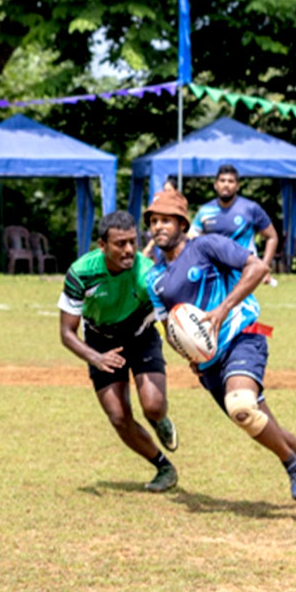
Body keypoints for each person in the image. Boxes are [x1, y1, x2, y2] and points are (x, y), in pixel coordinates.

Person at [144, 188, 296, 508]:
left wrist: (223, 309)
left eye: (166, 220)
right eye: (153, 221)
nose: (158, 227)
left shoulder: (206, 246)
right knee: (256, 419)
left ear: (182, 223)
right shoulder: (154, 279)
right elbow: (169, 328)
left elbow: (258, 269)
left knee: (240, 404)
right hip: (209, 364)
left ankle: (293, 466)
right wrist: (188, 353)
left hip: (242, 336)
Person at [58, 209, 179, 492]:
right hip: (101, 341)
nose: (128, 250)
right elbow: (66, 333)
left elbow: (170, 321)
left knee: (153, 405)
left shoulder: (148, 273)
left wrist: (192, 354)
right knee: (118, 417)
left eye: (132, 242)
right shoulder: (81, 273)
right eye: (120, 244)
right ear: (102, 246)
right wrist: (96, 357)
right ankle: (163, 467)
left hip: (141, 336)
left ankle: (159, 419)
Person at [189, 165, 282, 287]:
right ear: (215, 185)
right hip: (213, 275)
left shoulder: (251, 209)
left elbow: (272, 237)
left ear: (237, 186)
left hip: (243, 274)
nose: (226, 184)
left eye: (231, 181)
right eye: (222, 181)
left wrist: (264, 267)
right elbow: (191, 239)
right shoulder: (205, 211)